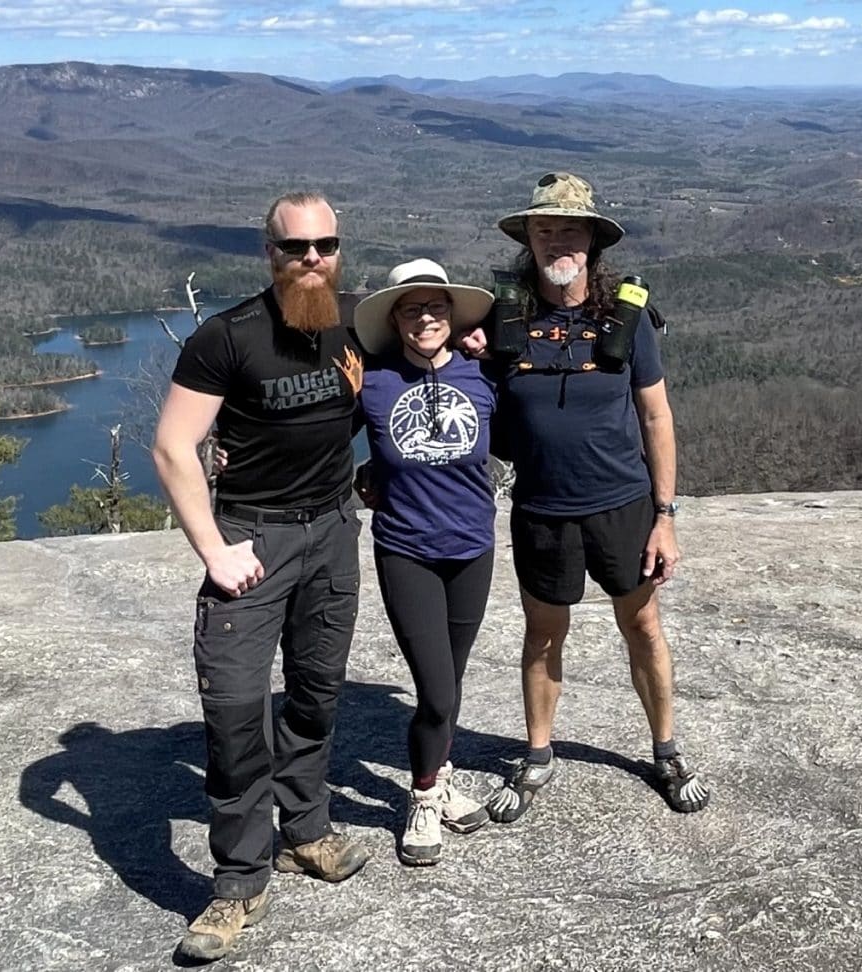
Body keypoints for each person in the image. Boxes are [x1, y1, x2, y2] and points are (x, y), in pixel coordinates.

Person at [152, 190, 369, 962]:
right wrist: (214, 548)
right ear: (267, 252)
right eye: (295, 247)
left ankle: (304, 832)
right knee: (237, 708)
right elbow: (174, 448)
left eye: (325, 246)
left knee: (315, 691)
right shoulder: (228, 337)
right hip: (255, 537)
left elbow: (406, 372)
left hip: (334, 533)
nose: (312, 259)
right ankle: (239, 881)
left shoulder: (355, 324)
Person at [463, 172, 710, 822]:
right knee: (544, 635)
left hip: (623, 506)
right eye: (545, 229)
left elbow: (656, 419)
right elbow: (428, 357)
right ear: (529, 239)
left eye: (571, 229)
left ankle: (665, 750)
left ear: (594, 242)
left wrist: (665, 516)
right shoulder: (502, 320)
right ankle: (538, 755)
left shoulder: (626, 322)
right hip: (542, 509)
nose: (557, 240)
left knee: (643, 626)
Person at [353, 259, 497, 866]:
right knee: (436, 689)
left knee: (453, 680)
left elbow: (534, 430)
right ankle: (422, 795)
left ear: (453, 314)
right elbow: (312, 434)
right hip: (407, 549)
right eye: (412, 309)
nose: (426, 318)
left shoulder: (486, 377)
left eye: (436, 307)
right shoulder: (373, 380)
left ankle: (441, 771)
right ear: (395, 320)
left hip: (473, 548)